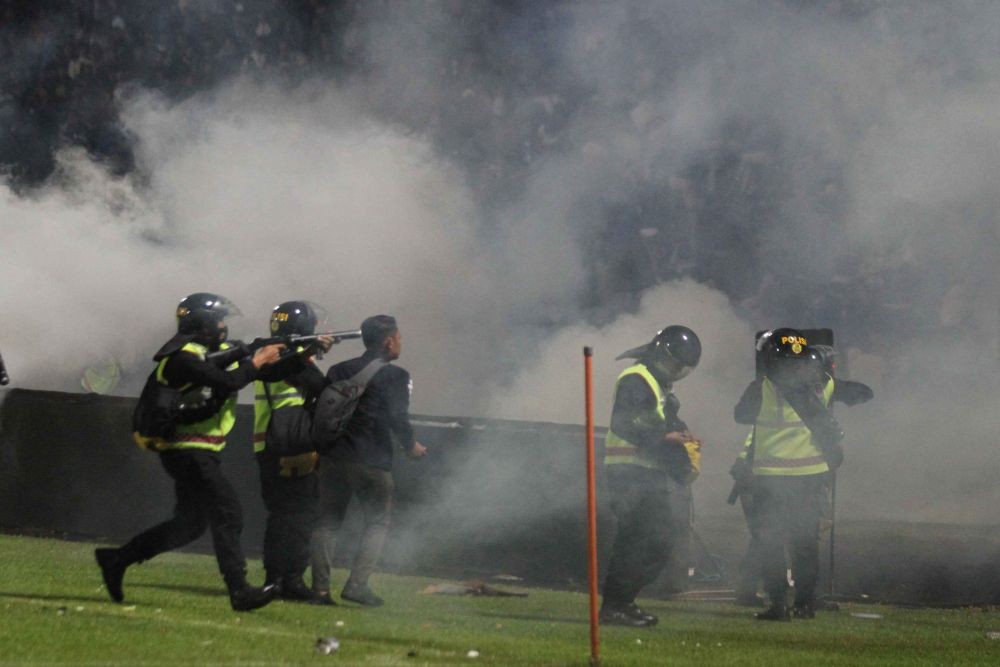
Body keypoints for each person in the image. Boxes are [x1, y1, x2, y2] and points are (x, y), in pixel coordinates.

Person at [95, 293, 285, 612]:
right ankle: (239, 590)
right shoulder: (183, 358)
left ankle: (117, 558)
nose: (224, 327)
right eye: (220, 321)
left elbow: (249, 369)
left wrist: (299, 352)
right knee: (228, 513)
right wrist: (256, 360)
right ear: (205, 326)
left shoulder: (203, 354)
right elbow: (227, 380)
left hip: (195, 450)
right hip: (188, 450)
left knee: (190, 525)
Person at [734, 328, 872, 621]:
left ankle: (778, 606)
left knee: (771, 543)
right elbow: (862, 394)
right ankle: (805, 605)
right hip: (810, 476)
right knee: (805, 545)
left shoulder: (762, 388)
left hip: (770, 477)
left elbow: (741, 415)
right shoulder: (821, 386)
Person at [310, 315, 426, 607]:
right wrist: (410, 445)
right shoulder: (395, 376)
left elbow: (319, 410)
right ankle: (357, 585)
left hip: (334, 457)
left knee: (328, 522)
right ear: (388, 341)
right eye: (399, 338)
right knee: (377, 522)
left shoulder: (339, 370)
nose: (401, 343)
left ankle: (320, 591)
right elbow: (398, 417)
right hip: (371, 459)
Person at [600, 325, 704, 627]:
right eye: (674, 365)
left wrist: (682, 438)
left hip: (646, 473)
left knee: (657, 541)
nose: (676, 372)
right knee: (636, 541)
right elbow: (623, 424)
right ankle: (615, 606)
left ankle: (623, 602)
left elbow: (658, 424)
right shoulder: (637, 379)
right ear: (661, 354)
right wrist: (668, 439)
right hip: (629, 472)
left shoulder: (657, 383)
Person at [252, 301, 335, 602]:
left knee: (283, 516)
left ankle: (278, 578)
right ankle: (289, 579)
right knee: (300, 516)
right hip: (289, 446)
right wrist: (311, 351)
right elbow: (322, 386)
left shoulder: (273, 353)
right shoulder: (287, 356)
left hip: (271, 444)